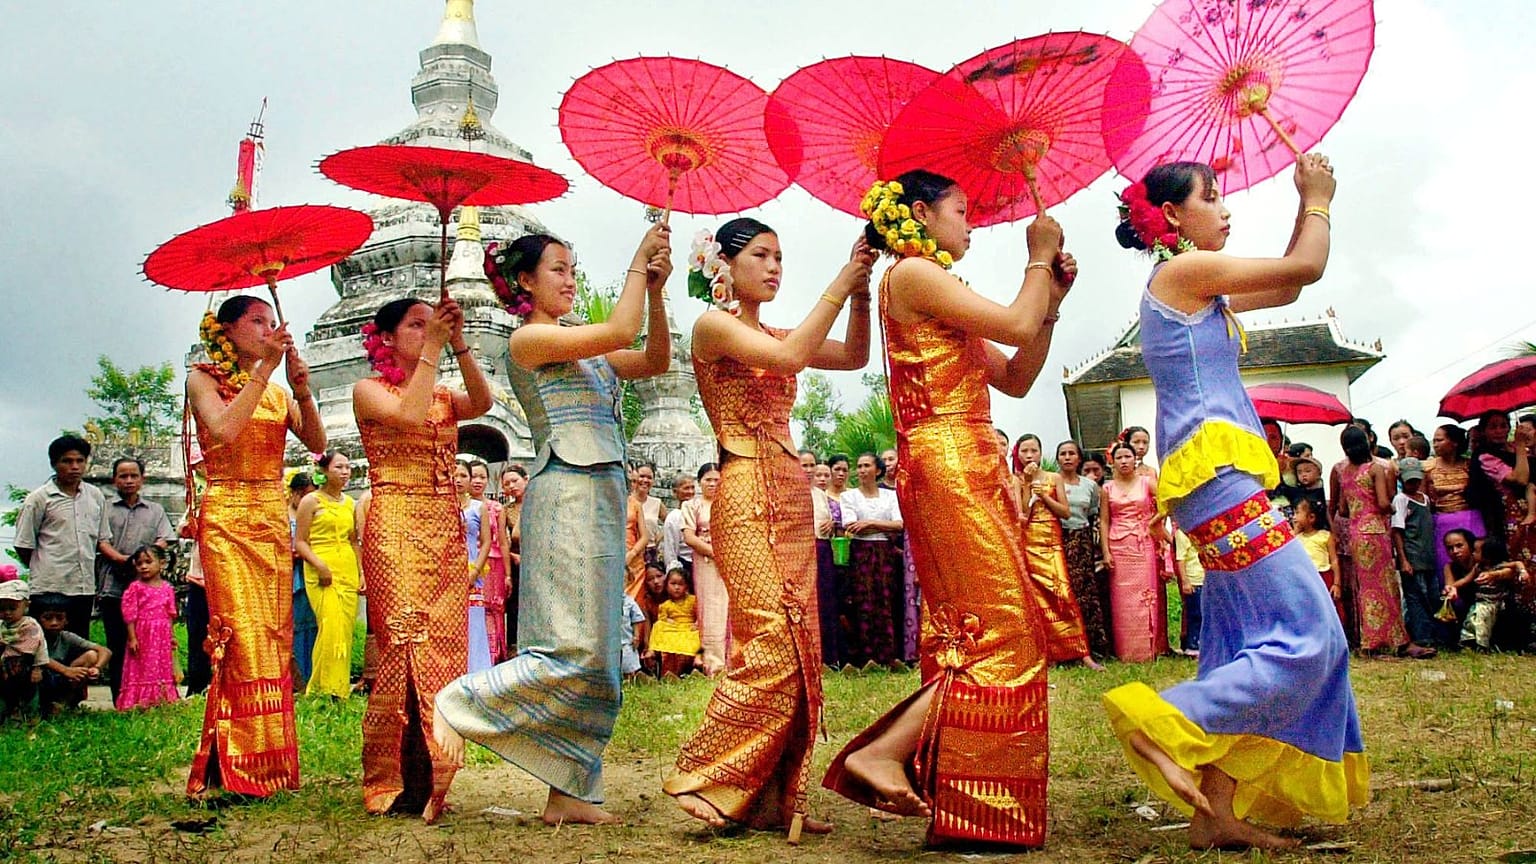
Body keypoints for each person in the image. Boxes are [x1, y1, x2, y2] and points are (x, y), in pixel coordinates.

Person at [1099, 156, 1367, 850]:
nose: (1225, 209)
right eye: (1210, 198)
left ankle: (1215, 809)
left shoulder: (1199, 289)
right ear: (1172, 218)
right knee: (1314, 637)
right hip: (1217, 477)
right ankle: (1164, 720)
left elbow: (1281, 286)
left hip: (1213, 480)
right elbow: (1306, 270)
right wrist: (1317, 199)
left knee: (1245, 644)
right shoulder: (1181, 275)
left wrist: (1305, 214)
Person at [823, 169, 1072, 848]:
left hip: (968, 459)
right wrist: (1038, 256)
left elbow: (1017, 373)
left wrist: (1050, 303)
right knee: (1005, 627)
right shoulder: (911, 275)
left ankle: (969, 801)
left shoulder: (941, 288)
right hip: (948, 461)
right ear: (923, 214)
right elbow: (1016, 319)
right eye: (961, 210)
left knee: (976, 627)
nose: (971, 223)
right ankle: (882, 753)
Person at [434, 223, 672, 826]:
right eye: (558, 270)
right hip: (563, 489)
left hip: (605, 489)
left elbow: (652, 359)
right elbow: (621, 329)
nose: (570, 281)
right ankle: (461, 700)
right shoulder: (528, 341)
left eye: (573, 269)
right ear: (524, 281)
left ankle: (571, 792)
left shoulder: (577, 342)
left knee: (600, 651)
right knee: (567, 643)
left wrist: (661, 291)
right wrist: (639, 262)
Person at [665, 215, 872, 840]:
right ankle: (711, 775)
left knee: (803, 640)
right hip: (744, 490)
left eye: (781, 256)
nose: (776, 267)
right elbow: (787, 356)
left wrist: (861, 293)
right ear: (723, 265)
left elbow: (854, 355)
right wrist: (841, 279)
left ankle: (778, 797)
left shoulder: (777, 329)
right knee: (769, 638)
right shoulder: (712, 327)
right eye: (762, 255)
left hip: (789, 490)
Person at [352, 290, 493, 823]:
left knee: (442, 645)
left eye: (427, 324)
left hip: (442, 524)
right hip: (396, 522)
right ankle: (392, 776)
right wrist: (434, 348)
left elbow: (483, 403)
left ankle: (436, 774)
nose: (423, 331)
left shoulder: (443, 391)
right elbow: (408, 419)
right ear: (386, 338)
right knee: (402, 641)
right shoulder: (369, 390)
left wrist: (458, 346)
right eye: (414, 325)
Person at [185, 294, 325, 798]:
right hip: (226, 516)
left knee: (272, 637)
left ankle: (266, 760)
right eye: (256, 322)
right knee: (238, 635)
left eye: (272, 321)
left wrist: (304, 392)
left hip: (269, 516)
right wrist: (265, 371)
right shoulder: (203, 379)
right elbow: (221, 432)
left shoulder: (277, 390)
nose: (268, 329)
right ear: (225, 330)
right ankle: (233, 760)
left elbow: (315, 444)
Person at [1333, 427, 1427, 657]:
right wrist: (1394, 508)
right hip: (1376, 532)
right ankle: (1394, 641)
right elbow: (1384, 503)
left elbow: (1342, 509)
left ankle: (1372, 641)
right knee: (1387, 588)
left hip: (1356, 534)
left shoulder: (1344, 472)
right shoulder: (1374, 469)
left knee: (1367, 590)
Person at [1011, 435, 1099, 669]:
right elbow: (1022, 516)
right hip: (1029, 542)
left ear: (1040, 453)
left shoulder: (1054, 478)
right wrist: (1029, 484)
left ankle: (1081, 652)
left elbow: (1065, 512)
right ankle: (1048, 653)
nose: (1029, 455)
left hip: (1052, 541)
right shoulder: (1018, 481)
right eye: (1024, 451)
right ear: (1018, 455)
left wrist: (1045, 496)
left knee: (1063, 593)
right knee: (1036, 598)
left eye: (1033, 450)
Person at [12, 435, 109, 639]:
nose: (75, 467)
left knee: (78, 643)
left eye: (80, 461)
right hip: (49, 588)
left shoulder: (95, 496)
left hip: (83, 587)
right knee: (44, 647)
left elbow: (102, 539)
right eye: (67, 461)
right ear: (54, 464)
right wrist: (44, 568)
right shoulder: (39, 499)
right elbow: (23, 544)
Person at [95, 457, 174, 702]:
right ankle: (121, 697)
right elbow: (100, 541)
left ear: (142, 479)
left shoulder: (155, 510)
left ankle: (151, 695)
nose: (128, 481)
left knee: (147, 647)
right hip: (114, 584)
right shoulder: (105, 508)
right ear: (114, 480)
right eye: (123, 476)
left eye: (133, 476)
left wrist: (145, 559)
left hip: (149, 588)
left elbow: (165, 539)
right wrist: (122, 559)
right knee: (118, 644)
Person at [294, 451, 362, 698]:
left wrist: (361, 572)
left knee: (343, 629)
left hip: (346, 567)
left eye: (347, 467)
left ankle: (336, 690)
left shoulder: (350, 504)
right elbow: (300, 542)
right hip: (319, 566)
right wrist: (319, 565)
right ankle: (324, 688)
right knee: (330, 625)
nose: (344, 472)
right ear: (323, 471)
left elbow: (354, 541)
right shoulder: (311, 501)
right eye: (338, 467)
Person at [838, 453, 906, 668]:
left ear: (877, 470)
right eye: (859, 466)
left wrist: (868, 523)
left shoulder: (890, 496)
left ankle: (889, 656)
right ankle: (864, 656)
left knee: (886, 599)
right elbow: (851, 524)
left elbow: (900, 524)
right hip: (861, 551)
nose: (861, 470)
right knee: (862, 600)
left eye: (866, 466)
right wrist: (881, 525)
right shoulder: (849, 497)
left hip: (885, 552)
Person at [1101, 442, 1167, 662]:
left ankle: (1148, 649)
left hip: (1143, 544)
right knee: (1122, 600)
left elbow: (1167, 504)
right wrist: (1106, 551)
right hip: (1118, 545)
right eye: (1119, 457)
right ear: (1113, 461)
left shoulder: (1147, 483)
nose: (1124, 461)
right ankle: (1125, 650)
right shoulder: (1107, 488)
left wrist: (1153, 523)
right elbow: (1103, 521)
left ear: (1134, 458)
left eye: (1127, 456)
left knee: (1145, 597)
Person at [1056, 440, 1110, 660]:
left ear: (1079, 458)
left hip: (1083, 539)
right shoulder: (1051, 481)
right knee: (1063, 590)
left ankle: (1092, 646)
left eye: (1072, 453)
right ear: (1058, 458)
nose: (1067, 457)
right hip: (1059, 539)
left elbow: (1095, 515)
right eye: (1063, 454)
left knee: (1086, 592)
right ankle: (1065, 647)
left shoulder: (1090, 487)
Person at [115, 545, 180, 710]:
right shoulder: (135, 588)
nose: (143, 566)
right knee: (142, 666)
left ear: (162, 563)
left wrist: (171, 636)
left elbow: (170, 614)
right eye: (139, 563)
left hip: (162, 635)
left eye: (148, 562)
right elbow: (130, 615)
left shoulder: (167, 588)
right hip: (143, 634)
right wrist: (132, 638)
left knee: (161, 665)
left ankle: (162, 697)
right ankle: (139, 700)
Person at [1392, 457, 1443, 649]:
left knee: (1431, 596)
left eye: (1416, 480)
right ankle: (1421, 637)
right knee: (1415, 598)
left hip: (1428, 557)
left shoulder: (1425, 499)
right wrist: (1403, 560)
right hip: (1412, 557)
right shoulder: (1401, 500)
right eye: (1409, 481)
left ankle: (1432, 634)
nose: (1413, 484)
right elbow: (1397, 531)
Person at [32, 592, 110, 715]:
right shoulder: (33, 636)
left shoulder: (66, 637)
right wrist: (65, 670)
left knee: (91, 655)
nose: (54, 623)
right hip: (38, 677)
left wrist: (97, 668)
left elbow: (105, 651)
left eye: (59, 618)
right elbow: (39, 656)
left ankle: (64, 704)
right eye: (48, 618)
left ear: (66, 620)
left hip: (59, 679)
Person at [681, 463, 725, 675]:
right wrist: (715, 553)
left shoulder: (729, 504)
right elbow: (689, 537)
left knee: (728, 609)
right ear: (700, 482)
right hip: (706, 563)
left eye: (717, 480)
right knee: (709, 609)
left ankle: (730, 661)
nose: (713, 484)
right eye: (708, 479)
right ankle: (711, 662)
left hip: (730, 564)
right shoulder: (691, 506)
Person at [1426, 424, 1487, 573]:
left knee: (1478, 562)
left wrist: (1445, 490)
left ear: (1454, 442)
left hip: (1471, 519)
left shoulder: (1469, 465)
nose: (1435, 444)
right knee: (1446, 564)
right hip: (1442, 520)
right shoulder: (1428, 467)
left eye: (1439, 440)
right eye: (1434, 441)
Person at [455, 460, 494, 674]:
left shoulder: (479, 508)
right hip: (447, 571)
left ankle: (476, 671)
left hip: (471, 569)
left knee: (474, 622)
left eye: (463, 475)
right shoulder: (442, 507)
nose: (458, 480)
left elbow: (486, 542)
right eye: (455, 475)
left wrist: (475, 570)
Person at [472, 461, 511, 664]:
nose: (478, 481)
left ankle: (495, 655)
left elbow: (503, 542)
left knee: (494, 609)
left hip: (494, 565)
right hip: (470, 563)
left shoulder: (496, 508)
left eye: (482, 477)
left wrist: (507, 574)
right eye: (474, 476)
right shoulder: (460, 506)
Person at [1458, 537, 1526, 650]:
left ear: (1488, 554)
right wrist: (1452, 587)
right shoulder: (1478, 568)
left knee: (1482, 621)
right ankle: (1469, 641)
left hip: (1495, 603)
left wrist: (1523, 572)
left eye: (1476, 551)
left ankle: (1482, 645)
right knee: (1472, 620)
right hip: (1480, 602)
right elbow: (1465, 580)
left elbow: (1517, 564)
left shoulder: (1499, 566)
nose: (1473, 553)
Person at [285, 472, 319, 691]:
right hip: (292, 577)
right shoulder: (282, 517)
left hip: (312, 574)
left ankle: (312, 677)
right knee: (295, 628)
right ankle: (297, 679)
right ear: (295, 494)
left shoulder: (315, 512)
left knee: (313, 627)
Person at [1293, 498, 1346, 627]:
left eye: (1297, 513)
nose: (1294, 517)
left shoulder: (1325, 536)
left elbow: (1334, 560)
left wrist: (1336, 584)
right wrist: (1295, 531)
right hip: (1306, 578)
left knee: (1329, 606)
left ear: (1311, 517)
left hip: (1324, 577)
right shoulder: (1296, 538)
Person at [0, 580, 47, 718]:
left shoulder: (31, 626)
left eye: (12, 608)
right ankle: (6, 715)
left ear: (26, 605)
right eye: (2, 609)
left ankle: (31, 717)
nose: (7, 613)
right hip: (4, 668)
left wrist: (38, 668)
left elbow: (40, 647)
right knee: (4, 693)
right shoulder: (1, 625)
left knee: (29, 694)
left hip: (25, 665)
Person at [649, 566, 702, 678]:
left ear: (686, 586)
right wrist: (668, 621)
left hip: (689, 629)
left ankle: (696, 662)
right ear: (667, 586)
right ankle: (653, 652)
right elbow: (662, 619)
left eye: (680, 584)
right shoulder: (665, 605)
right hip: (674, 628)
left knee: (697, 634)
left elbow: (700, 615)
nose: (677, 587)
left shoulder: (693, 600)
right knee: (658, 625)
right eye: (673, 584)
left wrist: (697, 623)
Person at [499, 464, 527, 654]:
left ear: (526, 479)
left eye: (515, 481)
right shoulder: (506, 510)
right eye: (507, 483)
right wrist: (513, 556)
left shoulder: (540, 504)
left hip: (540, 560)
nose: (511, 486)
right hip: (517, 562)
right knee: (515, 606)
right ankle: (513, 647)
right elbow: (502, 540)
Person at [1170, 526, 1205, 656]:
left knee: (1203, 613)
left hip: (1204, 577)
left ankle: (1200, 642)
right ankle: (1192, 645)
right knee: (1195, 614)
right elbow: (1180, 559)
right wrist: (1185, 580)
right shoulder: (1181, 534)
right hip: (1193, 579)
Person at [661, 472, 696, 584]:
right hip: (684, 565)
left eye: (692, 488)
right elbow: (670, 550)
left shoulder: (699, 512)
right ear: (675, 492)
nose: (690, 492)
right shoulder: (674, 517)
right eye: (686, 488)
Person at [620, 592, 649, 681]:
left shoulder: (629, 601)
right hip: (609, 643)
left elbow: (636, 619)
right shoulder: (605, 600)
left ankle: (629, 681)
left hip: (626, 641)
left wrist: (636, 636)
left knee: (628, 664)